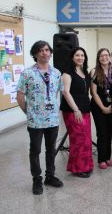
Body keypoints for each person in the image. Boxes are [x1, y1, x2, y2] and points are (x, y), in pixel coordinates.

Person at [17, 40, 64, 195]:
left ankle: (50, 176)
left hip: (52, 120)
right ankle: (36, 179)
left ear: (50, 53)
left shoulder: (56, 73)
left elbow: (57, 93)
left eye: (47, 50)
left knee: (51, 149)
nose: (45, 53)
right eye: (41, 50)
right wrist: (29, 112)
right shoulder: (27, 73)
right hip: (35, 121)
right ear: (35, 54)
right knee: (35, 150)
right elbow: (20, 96)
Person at [60, 47, 93, 178]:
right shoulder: (67, 73)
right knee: (78, 139)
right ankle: (77, 168)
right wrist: (76, 109)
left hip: (85, 109)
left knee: (86, 139)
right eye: (77, 55)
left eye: (82, 55)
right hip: (73, 111)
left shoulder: (84, 71)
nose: (80, 57)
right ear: (72, 57)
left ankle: (86, 165)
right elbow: (65, 92)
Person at [90, 48, 112, 169]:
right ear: (98, 58)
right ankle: (101, 159)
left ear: (110, 57)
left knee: (109, 132)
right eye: (101, 56)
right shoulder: (94, 72)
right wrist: (103, 107)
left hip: (111, 106)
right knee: (102, 133)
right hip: (98, 107)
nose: (104, 57)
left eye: (106, 55)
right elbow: (93, 93)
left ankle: (107, 157)